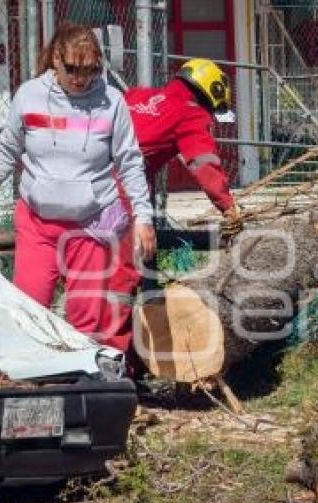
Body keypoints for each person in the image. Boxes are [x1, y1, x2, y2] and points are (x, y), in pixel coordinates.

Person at [0, 23, 156, 341]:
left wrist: (143, 217)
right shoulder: (29, 95)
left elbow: (130, 162)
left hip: (90, 224)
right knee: (29, 310)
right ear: (56, 59)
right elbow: (7, 149)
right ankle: (30, 368)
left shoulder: (112, 102)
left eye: (90, 69)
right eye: (72, 69)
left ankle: (81, 369)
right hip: (37, 224)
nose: (81, 78)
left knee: (86, 316)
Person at [98, 58, 242, 355]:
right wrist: (228, 206)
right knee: (123, 274)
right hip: (121, 187)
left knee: (93, 266)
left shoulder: (138, 95)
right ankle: (114, 358)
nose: (210, 119)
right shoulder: (191, 113)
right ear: (209, 94)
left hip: (84, 177)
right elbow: (203, 163)